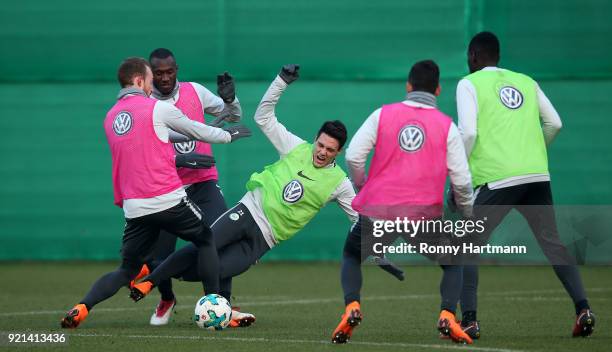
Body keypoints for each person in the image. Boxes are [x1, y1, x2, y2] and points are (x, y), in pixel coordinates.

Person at [129, 65, 359, 321]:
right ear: (315, 139)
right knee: (207, 245)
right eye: (321, 144)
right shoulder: (297, 147)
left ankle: (213, 306)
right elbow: (264, 117)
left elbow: (359, 218)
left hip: (264, 239)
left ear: (338, 152)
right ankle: (149, 282)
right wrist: (280, 82)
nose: (322, 151)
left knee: (211, 269)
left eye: (330, 149)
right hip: (248, 211)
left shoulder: (340, 183)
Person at [60, 57, 251, 328]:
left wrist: (227, 109)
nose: (154, 84)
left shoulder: (111, 117)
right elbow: (194, 129)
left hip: (135, 207)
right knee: (207, 239)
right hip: (167, 199)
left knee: (126, 269)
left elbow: (162, 137)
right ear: (139, 80)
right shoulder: (156, 108)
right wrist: (227, 136)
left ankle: (82, 306)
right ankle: (215, 307)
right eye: (150, 79)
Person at [455, 31, 595, 338]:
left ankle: (469, 320)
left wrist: (458, 176)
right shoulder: (526, 81)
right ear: (498, 56)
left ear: (473, 57)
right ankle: (583, 308)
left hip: (498, 178)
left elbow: (467, 134)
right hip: (536, 176)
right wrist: (534, 154)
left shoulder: (468, 84)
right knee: (553, 243)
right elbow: (555, 123)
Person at [330, 60, 475, 344]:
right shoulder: (447, 126)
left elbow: (353, 156)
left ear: (408, 86)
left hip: (378, 208)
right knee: (454, 262)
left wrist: (364, 187)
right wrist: (467, 212)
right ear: (438, 90)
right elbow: (461, 179)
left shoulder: (382, 114)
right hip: (423, 214)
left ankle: (352, 306)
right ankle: (447, 314)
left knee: (351, 256)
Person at [144, 48, 250, 327]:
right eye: (158, 73)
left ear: (177, 69)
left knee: (221, 238)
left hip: (203, 182)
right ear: (149, 74)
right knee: (157, 257)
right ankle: (167, 298)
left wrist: (230, 99)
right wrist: (178, 158)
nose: (165, 78)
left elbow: (233, 116)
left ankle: (222, 305)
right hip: (166, 187)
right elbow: (145, 150)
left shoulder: (195, 91)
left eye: (169, 72)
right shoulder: (146, 104)